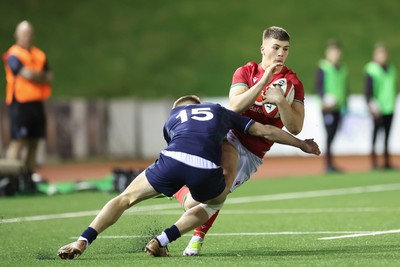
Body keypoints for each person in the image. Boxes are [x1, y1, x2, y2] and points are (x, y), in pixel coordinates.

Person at [57, 95, 320, 259]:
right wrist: (301, 144)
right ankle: (161, 240)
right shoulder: (217, 110)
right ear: (199, 104)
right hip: (205, 167)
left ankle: (82, 241)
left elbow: (178, 144)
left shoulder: (171, 118)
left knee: (125, 198)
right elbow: (264, 131)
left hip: (171, 160)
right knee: (213, 203)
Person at [173, 26, 307, 256]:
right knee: (216, 191)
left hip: (251, 152)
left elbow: (295, 127)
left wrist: (281, 102)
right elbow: (235, 106)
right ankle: (189, 238)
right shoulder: (245, 71)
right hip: (227, 134)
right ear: (263, 48)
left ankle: (178, 197)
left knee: (196, 201)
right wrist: (263, 82)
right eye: (275, 48)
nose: (281, 54)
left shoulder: (292, 82)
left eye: (285, 49)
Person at [2, 20, 52, 184]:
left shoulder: (39, 54)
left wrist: (35, 75)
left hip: (36, 103)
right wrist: (39, 76)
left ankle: (28, 178)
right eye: (24, 33)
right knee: (18, 141)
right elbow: (27, 74)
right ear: (16, 35)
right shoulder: (13, 54)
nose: (27, 37)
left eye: (29, 33)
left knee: (34, 141)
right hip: (20, 103)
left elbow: (49, 77)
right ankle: (9, 178)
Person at [315, 39, 348, 173]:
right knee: (329, 134)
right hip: (327, 108)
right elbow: (319, 86)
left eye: (337, 52)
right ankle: (328, 164)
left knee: (334, 134)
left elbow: (345, 88)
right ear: (327, 53)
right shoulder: (323, 68)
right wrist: (325, 100)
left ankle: (330, 162)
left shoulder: (343, 69)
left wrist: (346, 103)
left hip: (339, 107)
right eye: (333, 52)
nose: (336, 55)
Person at [364, 42, 397, 169]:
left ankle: (387, 162)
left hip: (389, 107)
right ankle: (374, 162)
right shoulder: (371, 69)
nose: (382, 57)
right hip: (377, 108)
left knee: (387, 137)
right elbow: (368, 89)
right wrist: (371, 103)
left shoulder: (391, 69)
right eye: (380, 54)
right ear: (375, 55)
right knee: (376, 135)